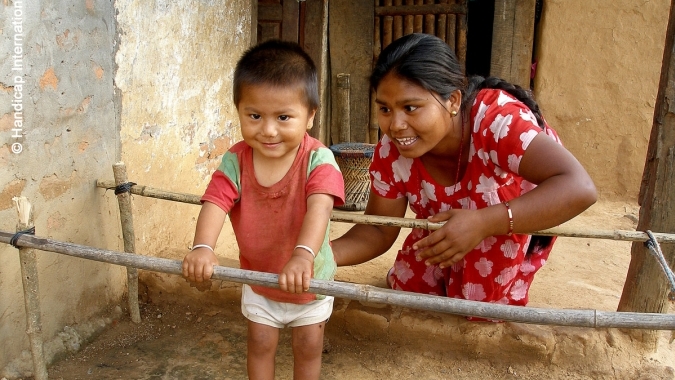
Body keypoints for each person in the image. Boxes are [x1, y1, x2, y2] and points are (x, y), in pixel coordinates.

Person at [331, 33, 597, 315]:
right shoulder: (393, 151)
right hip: (463, 219)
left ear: (454, 101)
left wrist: (483, 223)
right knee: (410, 290)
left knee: (478, 310)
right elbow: (377, 229)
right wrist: (320, 254)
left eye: (411, 108)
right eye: (385, 108)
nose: (395, 125)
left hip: (512, 217)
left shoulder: (498, 123)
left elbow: (578, 187)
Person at [182, 39, 345, 379]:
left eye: (284, 117)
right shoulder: (236, 160)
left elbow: (320, 208)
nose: (268, 130)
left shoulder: (318, 159)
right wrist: (203, 248)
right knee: (259, 342)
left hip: (310, 281)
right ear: (239, 109)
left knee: (308, 346)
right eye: (254, 116)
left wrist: (303, 255)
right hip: (258, 279)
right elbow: (215, 201)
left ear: (310, 115)